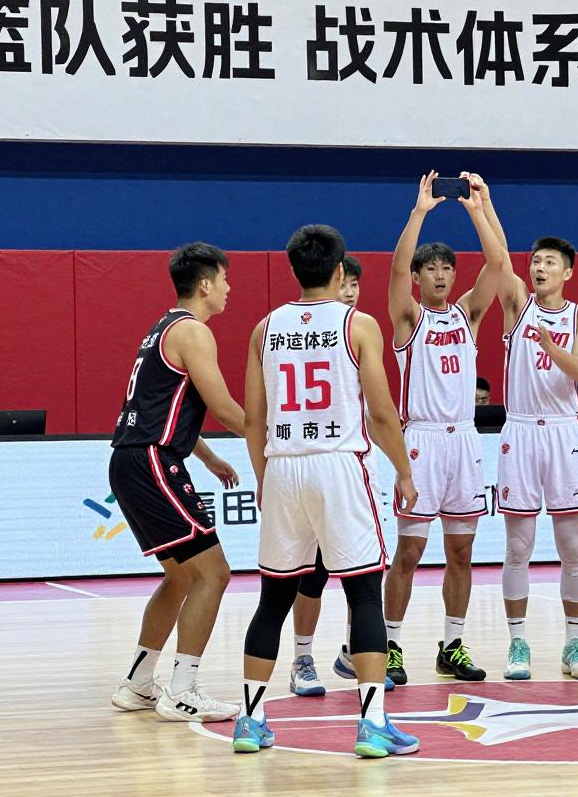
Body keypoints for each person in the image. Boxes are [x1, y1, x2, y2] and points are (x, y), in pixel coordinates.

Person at [237, 223, 421, 758]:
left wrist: (263, 478)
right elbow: (381, 413)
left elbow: (253, 419)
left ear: (294, 270)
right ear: (340, 271)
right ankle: (372, 724)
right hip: (338, 464)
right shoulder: (357, 324)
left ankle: (250, 720)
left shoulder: (265, 328)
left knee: (273, 598)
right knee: (363, 592)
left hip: (283, 466)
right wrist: (404, 471)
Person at [108, 243, 245, 723]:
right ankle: (183, 690)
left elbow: (164, 408)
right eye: (224, 279)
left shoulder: (162, 328)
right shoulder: (193, 331)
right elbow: (224, 408)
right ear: (205, 284)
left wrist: (208, 458)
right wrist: (276, 437)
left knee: (182, 575)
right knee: (214, 573)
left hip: (132, 459)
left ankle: (138, 682)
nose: (229, 288)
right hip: (151, 460)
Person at [474, 173, 578, 681]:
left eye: (549, 262)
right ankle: (518, 643)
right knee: (518, 547)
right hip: (521, 431)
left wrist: (550, 346)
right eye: (536, 261)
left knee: (572, 548)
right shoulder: (517, 305)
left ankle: (574, 645)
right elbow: (498, 258)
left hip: (565, 432)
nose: (539, 267)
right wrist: (484, 207)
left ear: (567, 271)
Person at [381, 171, 504, 686]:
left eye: (446, 268)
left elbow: (498, 264)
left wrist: (479, 210)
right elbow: (394, 271)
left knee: (462, 552)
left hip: (464, 441)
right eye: (429, 268)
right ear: (418, 276)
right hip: (422, 440)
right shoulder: (409, 318)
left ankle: (451, 644)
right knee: (409, 552)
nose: (439, 274)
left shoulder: (468, 314)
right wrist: (420, 212)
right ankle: (389, 646)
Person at [286, 251, 371, 698]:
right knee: (313, 572)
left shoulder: (360, 331)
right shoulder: (293, 333)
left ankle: (355, 652)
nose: (350, 292)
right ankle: (302, 657)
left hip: (351, 464)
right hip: (309, 462)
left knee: (364, 571)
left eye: (356, 285)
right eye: (345, 283)